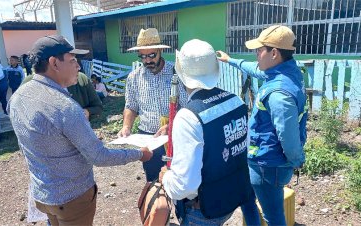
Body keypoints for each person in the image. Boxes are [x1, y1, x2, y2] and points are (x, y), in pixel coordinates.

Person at [7, 35, 153, 226]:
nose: (78, 66)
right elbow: (99, 157)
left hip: (43, 194)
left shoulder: (18, 97)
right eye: (73, 60)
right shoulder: (64, 107)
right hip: (71, 197)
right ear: (54, 63)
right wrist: (139, 154)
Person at [158, 39, 260, 226]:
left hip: (203, 210)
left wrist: (167, 178)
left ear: (181, 72)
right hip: (230, 196)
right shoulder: (235, 101)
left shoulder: (188, 116)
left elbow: (185, 185)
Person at [217, 25, 308, 226]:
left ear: (274, 53)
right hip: (264, 160)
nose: (256, 55)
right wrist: (230, 60)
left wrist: (297, 160)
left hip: (268, 163)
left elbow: (288, 137)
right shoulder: (288, 71)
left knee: (273, 216)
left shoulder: (279, 94)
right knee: (248, 199)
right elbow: (257, 70)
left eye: (259, 50)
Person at [117, 28, 188, 182]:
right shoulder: (134, 77)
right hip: (148, 138)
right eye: (143, 57)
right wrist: (126, 126)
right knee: (153, 181)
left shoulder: (177, 73)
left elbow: (188, 107)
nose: (147, 60)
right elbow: (131, 106)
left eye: (151, 55)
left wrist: (172, 125)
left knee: (179, 180)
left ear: (160, 51)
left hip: (175, 135)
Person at [23, 72, 103, 120]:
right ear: (53, 62)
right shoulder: (29, 83)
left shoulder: (81, 79)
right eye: (71, 60)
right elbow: (21, 116)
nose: (78, 65)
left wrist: (87, 112)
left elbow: (98, 107)